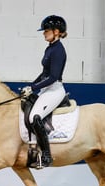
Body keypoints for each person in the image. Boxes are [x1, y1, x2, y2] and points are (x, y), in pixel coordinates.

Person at [21, 15, 68, 169]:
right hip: (47, 88)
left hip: (55, 90)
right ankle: (33, 148)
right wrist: (31, 86)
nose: (43, 33)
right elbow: (44, 73)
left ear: (56, 32)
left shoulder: (58, 50)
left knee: (36, 117)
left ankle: (47, 156)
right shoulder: (50, 48)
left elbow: (53, 77)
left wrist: (34, 88)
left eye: (46, 30)